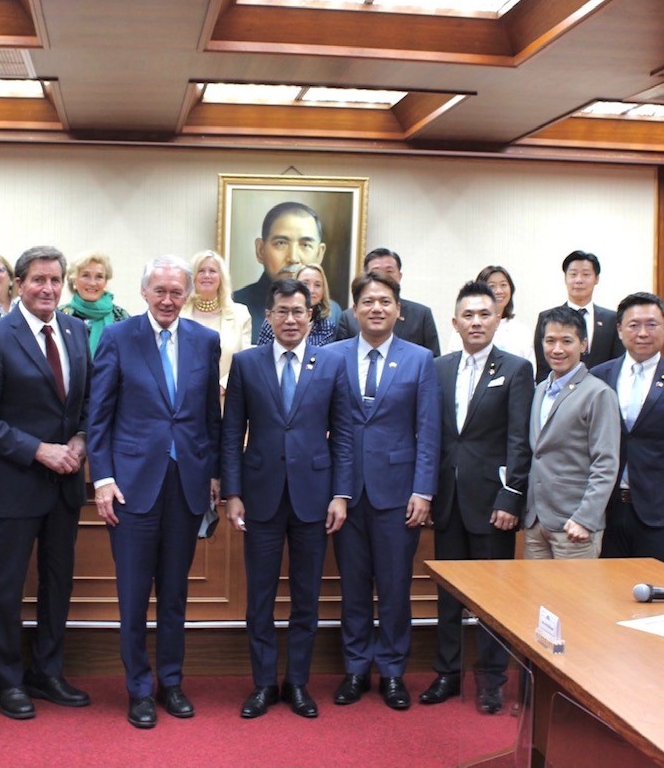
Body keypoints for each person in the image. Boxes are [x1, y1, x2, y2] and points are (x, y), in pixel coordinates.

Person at [88, 255, 222, 729]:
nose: (168, 300)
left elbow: (211, 417)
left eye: (176, 292)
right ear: (144, 292)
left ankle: (172, 682)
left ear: (187, 295)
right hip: (131, 488)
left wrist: (215, 473)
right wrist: (102, 478)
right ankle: (138, 689)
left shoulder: (206, 340)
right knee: (133, 594)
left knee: (175, 592)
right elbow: (98, 414)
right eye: (159, 291)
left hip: (185, 485)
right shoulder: (119, 338)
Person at [0, 246, 92, 721]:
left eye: (56, 280)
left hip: (66, 485)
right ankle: (8, 679)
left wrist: (79, 438)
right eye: (38, 280)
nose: (48, 289)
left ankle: (47, 671)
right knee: (7, 587)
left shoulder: (76, 330)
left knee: (59, 583)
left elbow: (87, 402)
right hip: (15, 483)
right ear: (19, 284)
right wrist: (38, 449)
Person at [222, 277, 353, 721]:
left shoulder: (331, 364)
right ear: (270, 316)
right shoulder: (246, 363)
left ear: (311, 314)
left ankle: (297, 682)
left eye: (299, 311)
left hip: (314, 499)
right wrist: (233, 492)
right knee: (258, 597)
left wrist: (340, 493)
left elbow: (344, 434)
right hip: (259, 497)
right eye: (282, 311)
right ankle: (263, 684)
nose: (291, 319)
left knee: (306, 597)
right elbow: (231, 432)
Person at [328, 270, 439, 711]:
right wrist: (333, 489)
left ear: (399, 310)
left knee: (394, 588)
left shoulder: (419, 359)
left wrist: (423, 491)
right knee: (352, 587)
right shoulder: (332, 356)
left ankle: (393, 670)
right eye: (368, 301)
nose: (377, 308)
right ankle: (356, 668)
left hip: (399, 494)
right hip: (346, 493)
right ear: (354, 311)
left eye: (385, 301)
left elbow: (428, 431)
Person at [423, 280, 532, 715]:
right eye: (467, 315)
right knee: (448, 596)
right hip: (447, 500)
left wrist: (511, 498)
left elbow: (520, 440)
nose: (475, 322)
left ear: (498, 319)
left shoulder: (517, 368)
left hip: (493, 506)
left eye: (484, 314)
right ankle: (447, 675)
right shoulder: (439, 367)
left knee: (493, 599)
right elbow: (431, 435)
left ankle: (491, 681)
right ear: (455, 321)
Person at [590, 292, 664, 566]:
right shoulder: (598, 376)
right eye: (633, 325)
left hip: (660, 513)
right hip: (604, 509)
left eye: (652, 324)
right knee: (603, 595)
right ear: (619, 330)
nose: (642, 332)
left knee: (654, 594)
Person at [524, 307, 620, 559]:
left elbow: (606, 462)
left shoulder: (599, 393)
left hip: (574, 525)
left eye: (567, 341)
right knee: (533, 599)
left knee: (571, 599)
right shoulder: (540, 389)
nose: (557, 349)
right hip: (536, 523)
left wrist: (586, 518)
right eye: (550, 341)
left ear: (583, 344)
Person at [232, 202, 328, 342]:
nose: (293, 258)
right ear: (260, 250)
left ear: (320, 254)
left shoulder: (333, 312)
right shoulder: (237, 305)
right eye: (281, 243)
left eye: (305, 245)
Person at [532, 250, 623, 378]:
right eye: (573, 274)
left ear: (596, 279)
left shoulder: (612, 319)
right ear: (565, 278)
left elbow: (617, 364)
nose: (579, 280)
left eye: (586, 274)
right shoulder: (546, 318)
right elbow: (543, 367)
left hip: (601, 392)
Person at [335, 248, 440, 355]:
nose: (382, 276)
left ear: (399, 276)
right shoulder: (347, 318)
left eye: (389, 272)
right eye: (376, 272)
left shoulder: (421, 315)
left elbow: (434, 361)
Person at [179, 250, 251, 394]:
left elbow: (246, 359)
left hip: (225, 399)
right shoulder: (178, 313)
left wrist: (223, 386)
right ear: (192, 278)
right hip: (184, 398)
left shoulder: (240, 314)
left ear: (221, 278)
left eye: (212, 271)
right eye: (201, 271)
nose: (207, 276)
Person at [444, 265, 533, 368]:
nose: (499, 291)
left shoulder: (521, 331)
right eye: (492, 286)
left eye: (503, 285)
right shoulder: (465, 328)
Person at [60, 251, 131, 357]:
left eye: (99, 277)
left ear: (105, 281)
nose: (92, 283)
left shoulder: (121, 317)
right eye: (85, 275)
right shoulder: (60, 316)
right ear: (74, 280)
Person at [256, 263, 338, 347]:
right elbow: (261, 355)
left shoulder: (327, 326)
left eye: (317, 285)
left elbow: (326, 358)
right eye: (305, 284)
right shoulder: (274, 319)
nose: (311, 290)